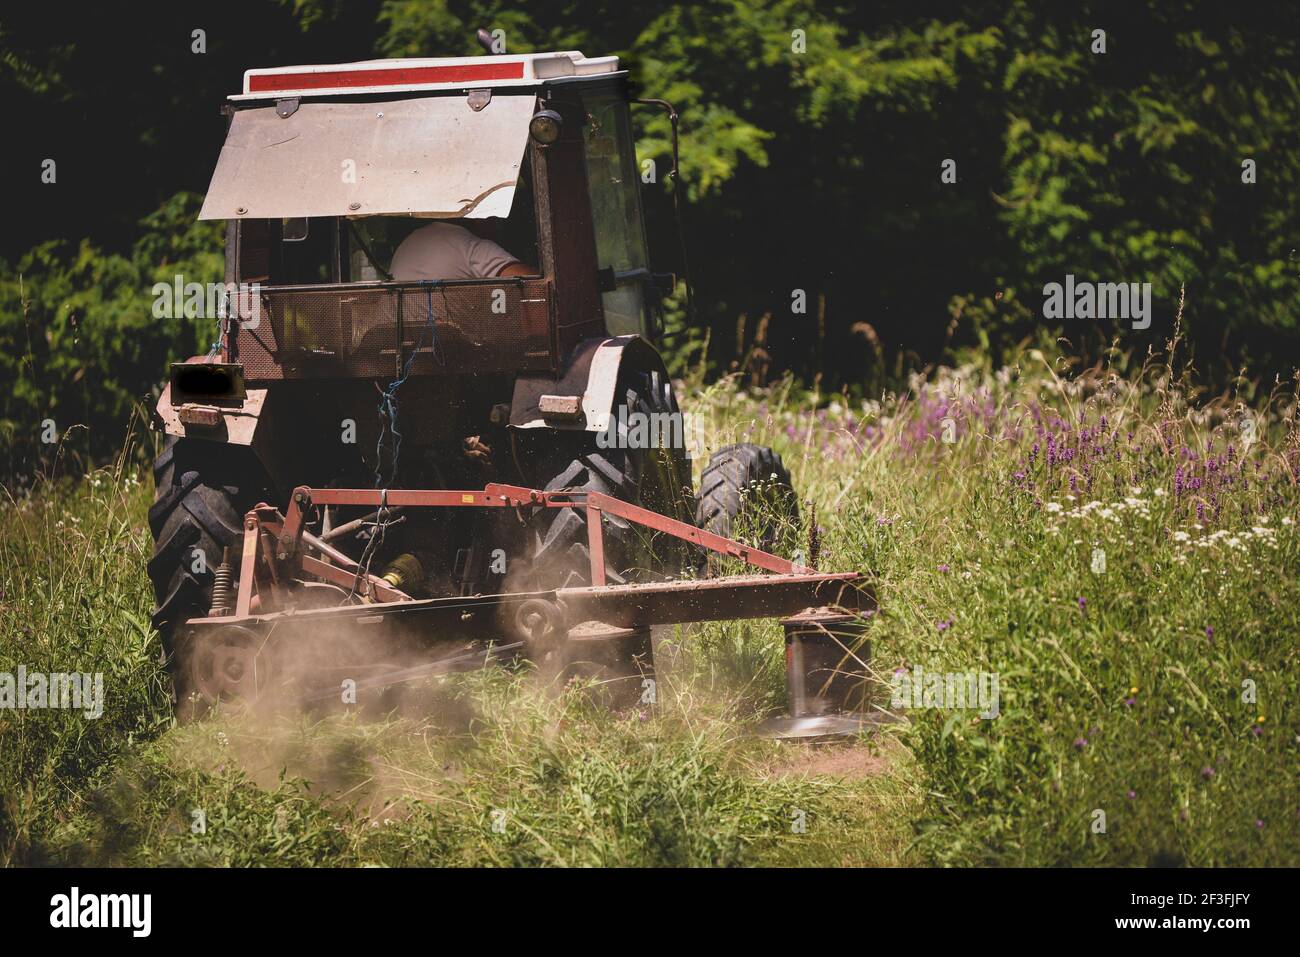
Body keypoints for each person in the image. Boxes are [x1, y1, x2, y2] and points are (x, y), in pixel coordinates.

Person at [389, 219, 535, 281]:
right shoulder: (471, 246)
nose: (497, 225)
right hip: (445, 340)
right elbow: (530, 281)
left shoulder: (411, 240)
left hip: (399, 339)